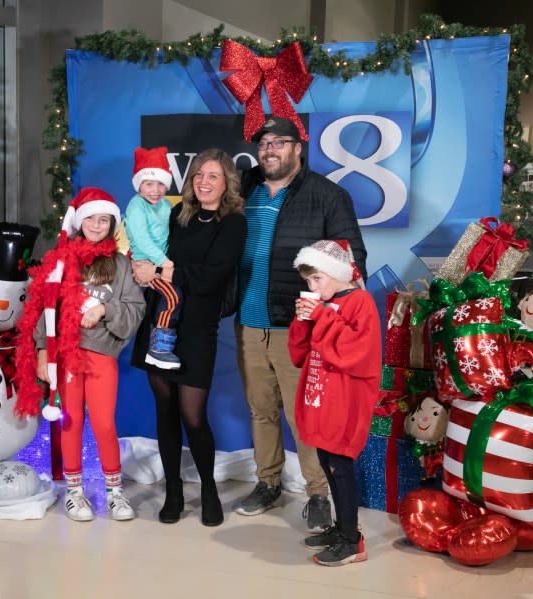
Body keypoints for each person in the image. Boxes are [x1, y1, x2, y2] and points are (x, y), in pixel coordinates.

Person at [235, 115, 367, 531]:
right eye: (263, 143)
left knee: (304, 414)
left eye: (279, 142)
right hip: (247, 321)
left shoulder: (327, 195)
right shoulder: (243, 189)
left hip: (296, 327)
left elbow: (352, 261)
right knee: (261, 411)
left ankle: (317, 494)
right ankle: (268, 482)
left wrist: (322, 311)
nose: (269, 149)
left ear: (297, 148)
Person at [14, 187, 145, 522]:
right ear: (79, 221)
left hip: (100, 355)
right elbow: (42, 308)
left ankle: (115, 492)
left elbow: (135, 308)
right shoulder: (58, 261)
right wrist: (43, 351)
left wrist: (105, 308)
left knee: (103, 423)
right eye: (92, 218)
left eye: (105, 220)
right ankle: (74, 492)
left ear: (112, 224)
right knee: (69, 422)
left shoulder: (120, 264)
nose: (97, 225)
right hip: (65, 357)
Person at [131, 148, 247, 526]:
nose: (204, 181)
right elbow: (146, 246)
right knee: (164, 410)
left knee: (192, 414)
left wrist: (165, 271)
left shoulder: (233, 223)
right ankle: (173, 491)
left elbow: (213, 276)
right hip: (160, 323)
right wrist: (142, 266)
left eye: (213, 175)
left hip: (198, 327)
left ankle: (209, 489)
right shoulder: (176, 214)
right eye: (198, 175)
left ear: (226, 181)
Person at [289, 239, 381, 566]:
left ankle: (351, 541)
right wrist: (302, 320)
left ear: (336, 272)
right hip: (322, 399)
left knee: (340, 468)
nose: (313, 287)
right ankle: (342, 528)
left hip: (345, 402)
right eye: (308, 282)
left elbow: (357, 353)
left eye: (318, 279)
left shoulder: (361, 302)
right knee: (329, 464)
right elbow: (300, 354)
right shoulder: (325, 304)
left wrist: (323, 317)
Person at [124, 146, 182, 369]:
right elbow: (142, 239)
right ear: (139, 185)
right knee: (173, 297)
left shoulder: (166, 205)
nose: (155, 190)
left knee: (173, 297)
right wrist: (164, 263)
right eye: (149, 184)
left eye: (161, 184)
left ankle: (160, 343)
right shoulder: (136, 206)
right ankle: (159, 348)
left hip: (160, 263)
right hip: (147, 263)